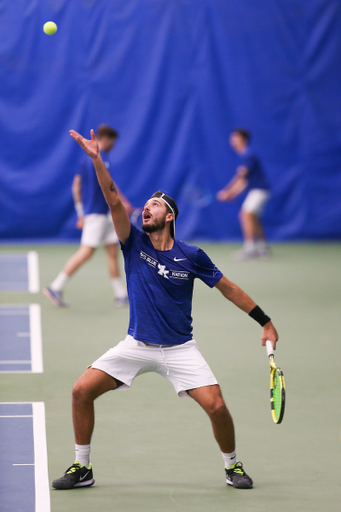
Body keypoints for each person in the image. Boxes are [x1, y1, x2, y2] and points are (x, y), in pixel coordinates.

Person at [51, 128, 279, 491]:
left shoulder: (191, 256)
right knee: (81, 391)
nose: (146, 207)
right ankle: (83, 467)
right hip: (137, 344)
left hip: (179, 349)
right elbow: (112, 199)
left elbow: (228, 288)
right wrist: (96, 159)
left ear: (169, 216)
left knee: (217, 406)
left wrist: (264, 321)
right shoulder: (132, 241)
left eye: (155, 205)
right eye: (145, 204)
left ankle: (232, 466)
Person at [43, 124, 131, 308]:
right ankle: (55, 287)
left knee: (112, 251)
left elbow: (76, 185)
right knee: (86, 252)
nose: (114, 145)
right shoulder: (100, 157)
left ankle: (121, 294)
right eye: (113, 142)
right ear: (106, 139)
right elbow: (108, 185)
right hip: (98, 214)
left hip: (105, 214)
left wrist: (80, 212)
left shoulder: (86, 159)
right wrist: (122, 203)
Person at [217, 128, 270, 260]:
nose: (232, 141)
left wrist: (227, 192)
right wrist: (232, 194)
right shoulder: (245, 155)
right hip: (258, 190)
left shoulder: (248, 155)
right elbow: (245, 182)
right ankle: (263, 248)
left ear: (242, 139)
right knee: (252, 217)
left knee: (245, 215)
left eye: (235, 138)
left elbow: (240, 177)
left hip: (260, 190)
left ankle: (250, 249)